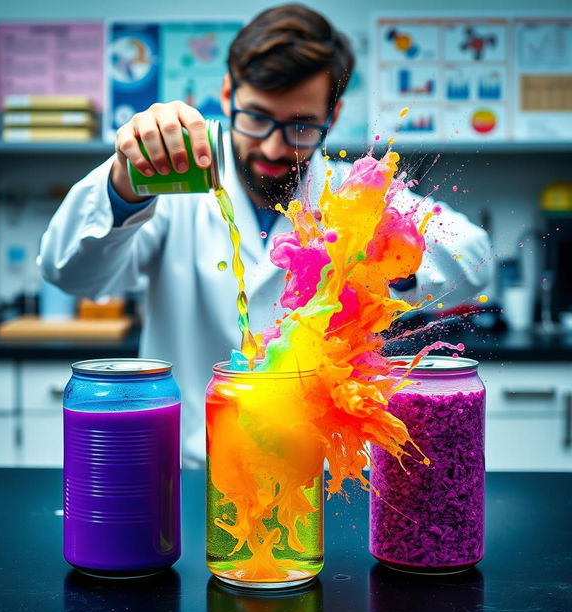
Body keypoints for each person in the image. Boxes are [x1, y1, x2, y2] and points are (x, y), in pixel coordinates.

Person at [39, 4, 492, 467]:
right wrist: (124, 182)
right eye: (256, 117)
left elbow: (475, 254)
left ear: (331, 117)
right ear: (228, 92)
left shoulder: (350, 198)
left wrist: (375, 256)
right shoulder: (176, 192)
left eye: (300, 126)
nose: (274, 147)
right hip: (189, 472)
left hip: (311, 477)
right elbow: (69, 273)